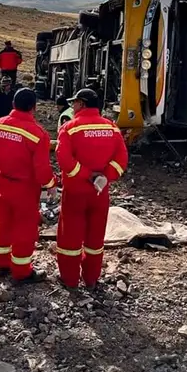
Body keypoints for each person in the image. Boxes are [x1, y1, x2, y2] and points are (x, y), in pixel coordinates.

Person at [55, 89, 129, 289]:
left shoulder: (69, 128)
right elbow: (122, 159)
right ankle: (91, 279)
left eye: (75, 103)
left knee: (70, 237)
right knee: (95, 239)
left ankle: (69, 280)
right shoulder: (112, 129)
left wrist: (87, 174)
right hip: (100, 193)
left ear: (82, 104)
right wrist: (105, 176)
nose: (73, 106)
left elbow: (64, 160)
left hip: (75, 193)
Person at [0, 89, 57, 285]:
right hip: (25, 188)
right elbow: (41, 169)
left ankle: (2, 264)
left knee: (2, 223)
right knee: (24, 228)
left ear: (13, 104)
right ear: (34, 107)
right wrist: (51, 184)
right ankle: (22, 271)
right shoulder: (38, 134)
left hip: (3, 184)